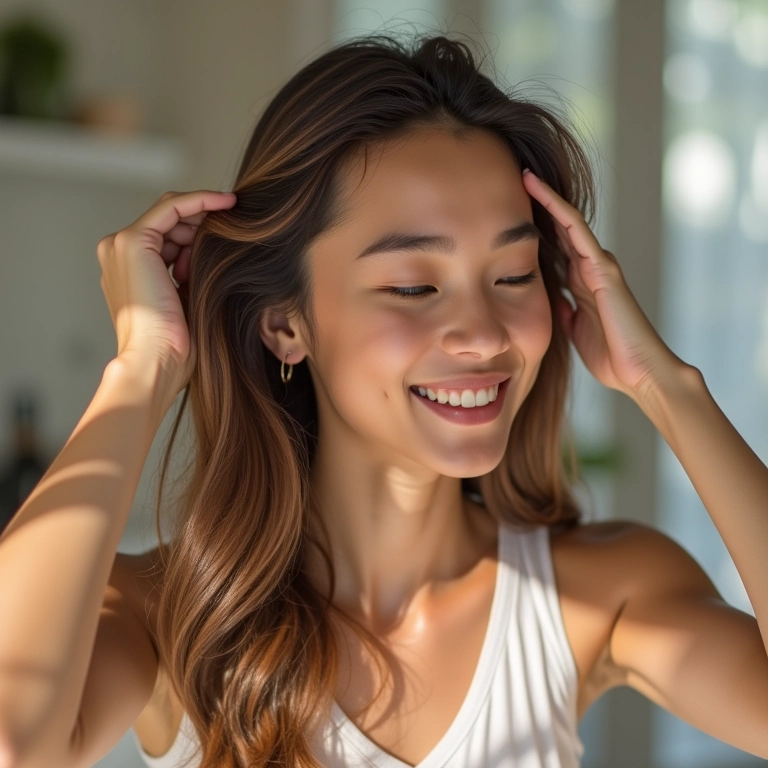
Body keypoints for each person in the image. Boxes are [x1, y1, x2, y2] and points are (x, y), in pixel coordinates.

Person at [1, 31, 767, 768]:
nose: (482, 333)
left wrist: (667, 387)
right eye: (412, 286)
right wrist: (143, 367)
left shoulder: (598, 593)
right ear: (284, 324)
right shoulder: (167, 618)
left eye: (513, 276)